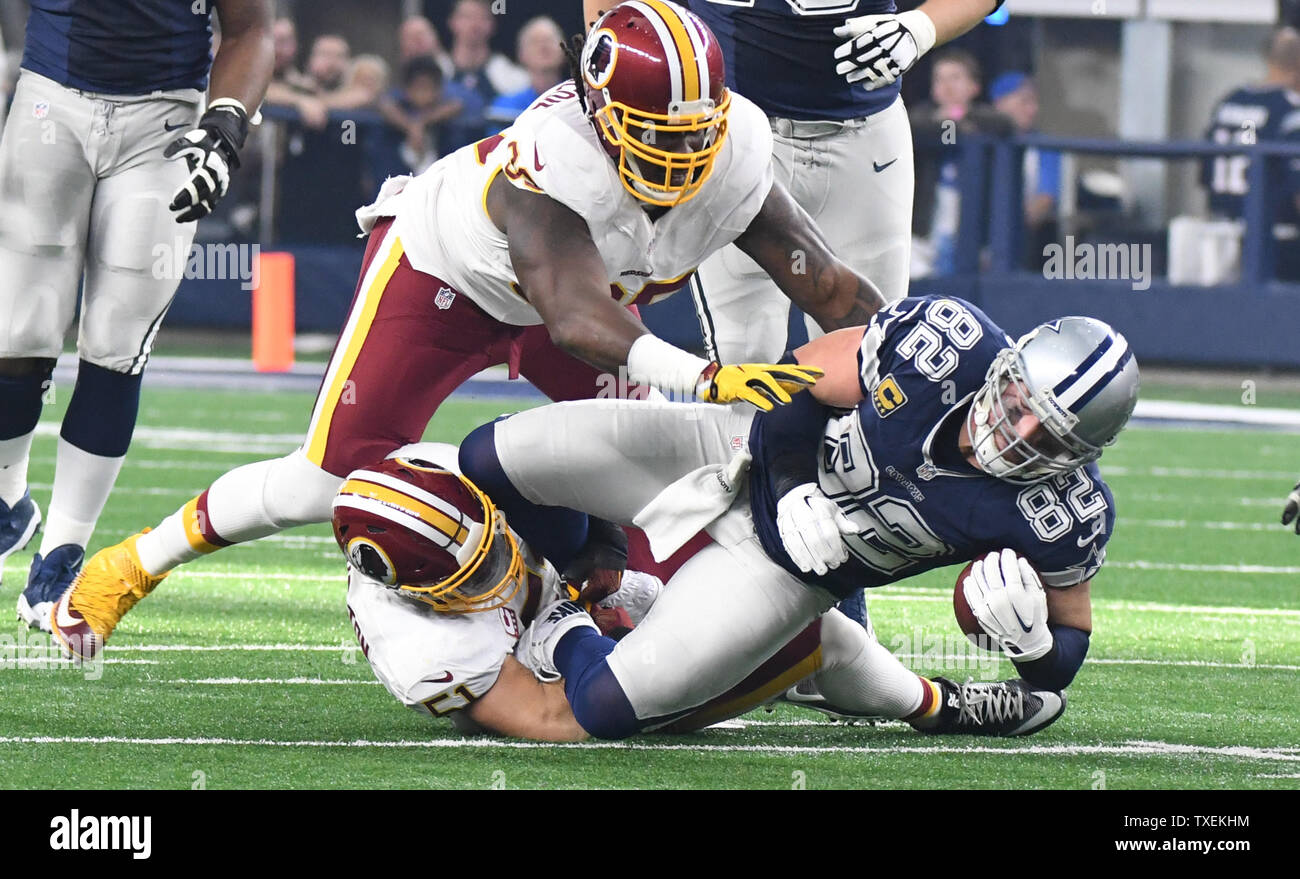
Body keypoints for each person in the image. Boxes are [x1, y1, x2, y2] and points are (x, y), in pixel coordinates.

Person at [52, 1, 880, 661]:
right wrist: (703, 377)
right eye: (654, 133)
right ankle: (135, 561)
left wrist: (922, 350)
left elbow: (833, 287)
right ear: (598, 112)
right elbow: (579, 318)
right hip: (447, 279)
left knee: (660, 483)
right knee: (322, 482)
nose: (679, 155)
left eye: (693, 132)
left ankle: (607, 607)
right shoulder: (552, 155)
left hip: (582, 307)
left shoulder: (735, 149)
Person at [460, 296, 1138, 738]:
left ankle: (559, 616)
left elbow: (1066, 648)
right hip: (732, 449)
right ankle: (592, 558)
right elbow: (798, 374)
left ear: (1080, 455)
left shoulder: (1063, 512)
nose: (1016, 431)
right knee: (488, 457)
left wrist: (1034, 647)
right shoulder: (947, 344)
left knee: (604, 708)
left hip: (785, 572)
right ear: (1008, 366)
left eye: (1046, 437)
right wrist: (791, 485)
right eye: (1019, 400)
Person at [336, 443, 1064, 739]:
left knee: (714, 518)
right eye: (476, 578)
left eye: (496, 548)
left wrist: (603, 544)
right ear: (421, 594)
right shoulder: (428, 646)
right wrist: (568, 627)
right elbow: (563, 719)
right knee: (816, 639)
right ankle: (938, 706)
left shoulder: (449, 477)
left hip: (571, 600)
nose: (501, 569)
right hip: (548, 666)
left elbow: (560, 477)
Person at [1, 0, 273, 631]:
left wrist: (227, 128)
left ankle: (63, 549)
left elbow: (253, 29)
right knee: (18, 329)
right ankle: (8, 498)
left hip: (167, 120)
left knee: (116, 342)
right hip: (50, 99)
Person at [1202, 27, 1300, 281]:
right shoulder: (1291, 111)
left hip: (1218, 236)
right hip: (1276, 238)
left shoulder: (1230, 101)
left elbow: (1206, 174)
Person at [910, 48, 1010, 276]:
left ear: (974, 86)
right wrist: (954, 125)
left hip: (973, 232)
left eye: (955, 78)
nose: (947, 86)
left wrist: (959, 120)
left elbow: (1005, 126)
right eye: (940, 79)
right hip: (924, 229)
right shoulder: (920, 118)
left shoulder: (987, 119)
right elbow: (918, 129)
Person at [441, 0, 530, 153]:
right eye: (467, 16)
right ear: (452, 22)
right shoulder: (438, 70)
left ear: (491, 24)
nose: (474, 24)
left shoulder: (513, 77)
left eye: (482, 17)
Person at [990, 71, 1060, 265]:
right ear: (1000, 103)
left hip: (1022, 246)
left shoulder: (1044, 146)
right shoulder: (980, 141)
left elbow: (1044, 201)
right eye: (1024, 102)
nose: (1033, 110)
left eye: (1034, 103)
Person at [486, 17, 569, 132]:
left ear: (564, 50)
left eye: (549, 40)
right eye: (535, 42)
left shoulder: (582, 101)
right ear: (521, 54)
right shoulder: (504, 107)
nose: (543, 47)